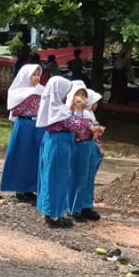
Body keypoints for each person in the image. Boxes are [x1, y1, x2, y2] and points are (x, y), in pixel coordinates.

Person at [0, 63, 45, 202]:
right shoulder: (18, 92)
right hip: (25, 126)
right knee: (23, 156)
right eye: (33, 75)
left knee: (37, 157)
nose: (36, 78)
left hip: (39, 126)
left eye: (38, 75)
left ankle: (33, 188)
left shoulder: (42, 90)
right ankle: (21, 189)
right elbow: (15, 110)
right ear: (26, 76)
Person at [37, 75, 78, 228]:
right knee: (57, 179)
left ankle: (50, 212)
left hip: (52, 142)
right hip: (59, 144)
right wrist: (76, 110)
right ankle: (55, 215)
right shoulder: (59, 110)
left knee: (49, 177)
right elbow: (76, 125)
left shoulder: (51, 106)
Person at [70, 87, 105, 222]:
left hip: (89, 145)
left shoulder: (88, 114)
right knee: (79, 177)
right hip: (79, 146)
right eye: (78, 95)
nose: (82, 99)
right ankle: (74, 208)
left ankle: (85, 206)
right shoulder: (71, 113)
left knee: (88, 177)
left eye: (84, 96)